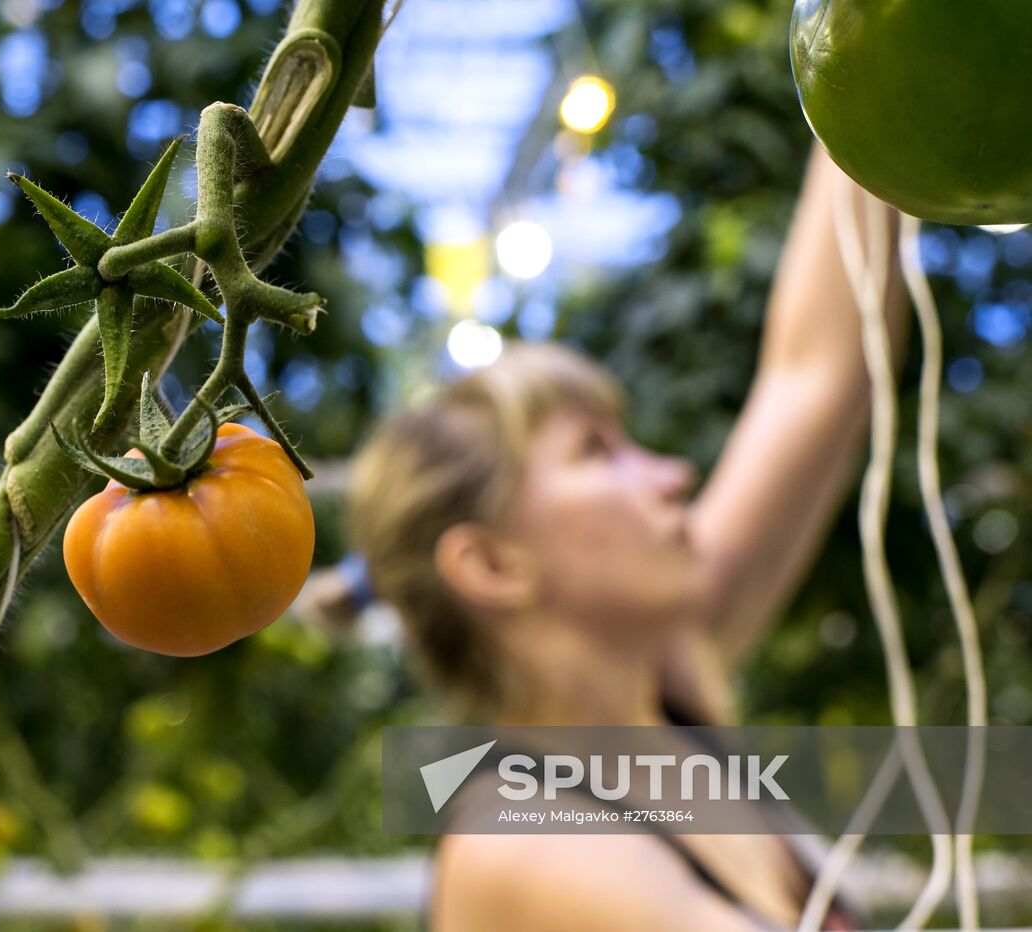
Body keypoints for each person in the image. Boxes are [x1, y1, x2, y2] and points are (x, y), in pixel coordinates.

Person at [344, 144, 908, 930]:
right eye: (596, 451)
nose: (673, 474)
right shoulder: (516, 846)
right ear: (493, 565)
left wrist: (871, 59)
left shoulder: (672, 691)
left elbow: (816, 374)